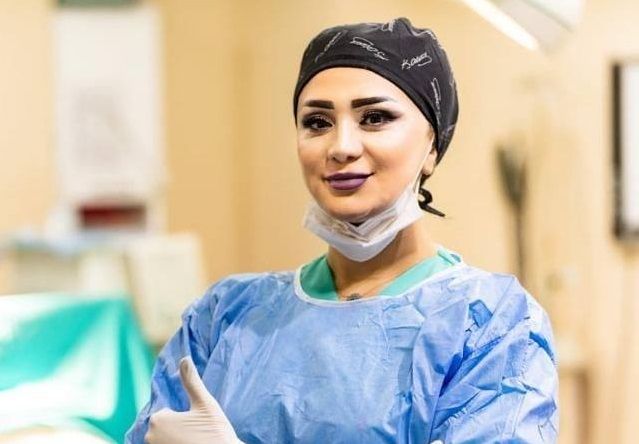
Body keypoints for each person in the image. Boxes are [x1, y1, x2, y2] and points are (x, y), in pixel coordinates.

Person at [126, 17, 558, 444]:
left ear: (432, 145)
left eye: (375, 118)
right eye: (317, 122)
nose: (341, 147)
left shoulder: (490, 325)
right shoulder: (224, 317)